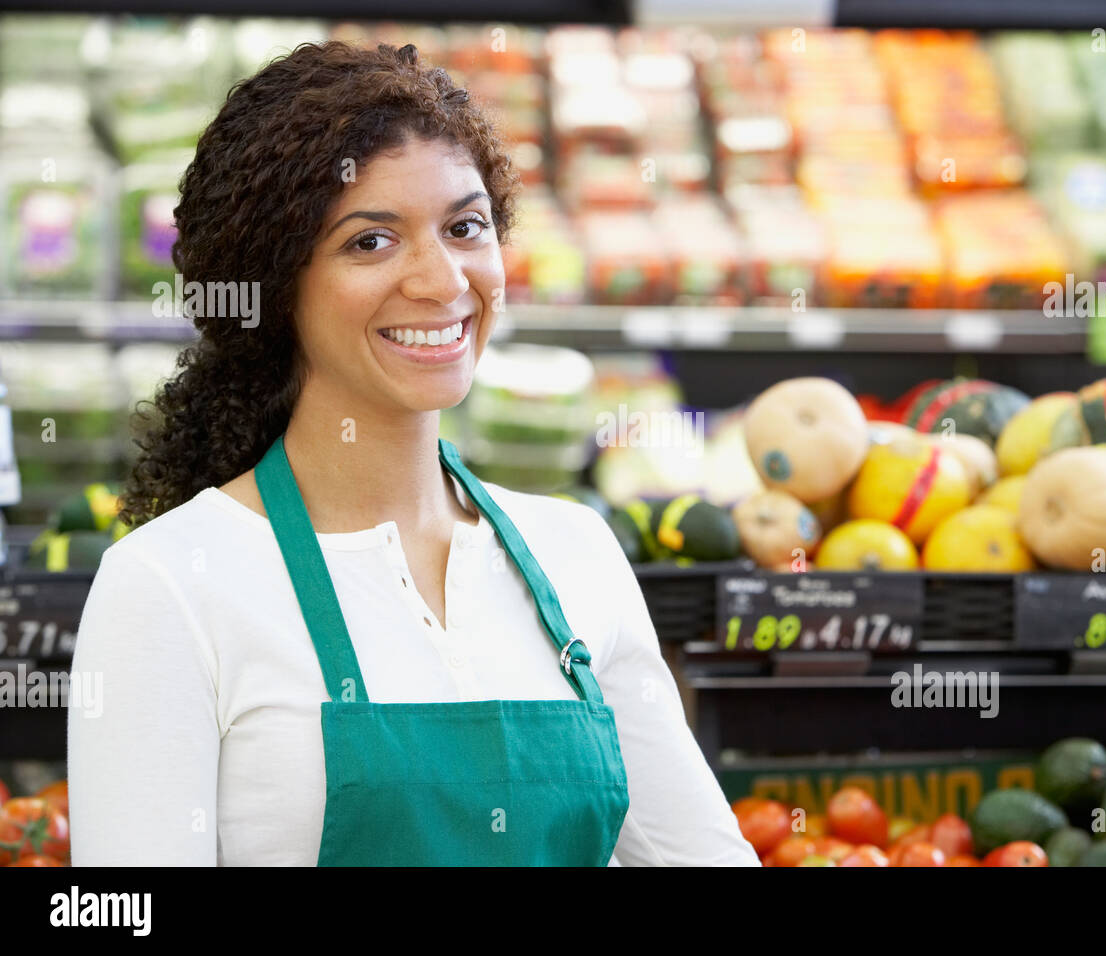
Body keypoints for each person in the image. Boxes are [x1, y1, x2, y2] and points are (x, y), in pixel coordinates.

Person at [67, 40, 759, 867]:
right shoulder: (172, 583)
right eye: (371, 242)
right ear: (276, 283)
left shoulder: (575, 555)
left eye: (466, 227)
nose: (442, 281)